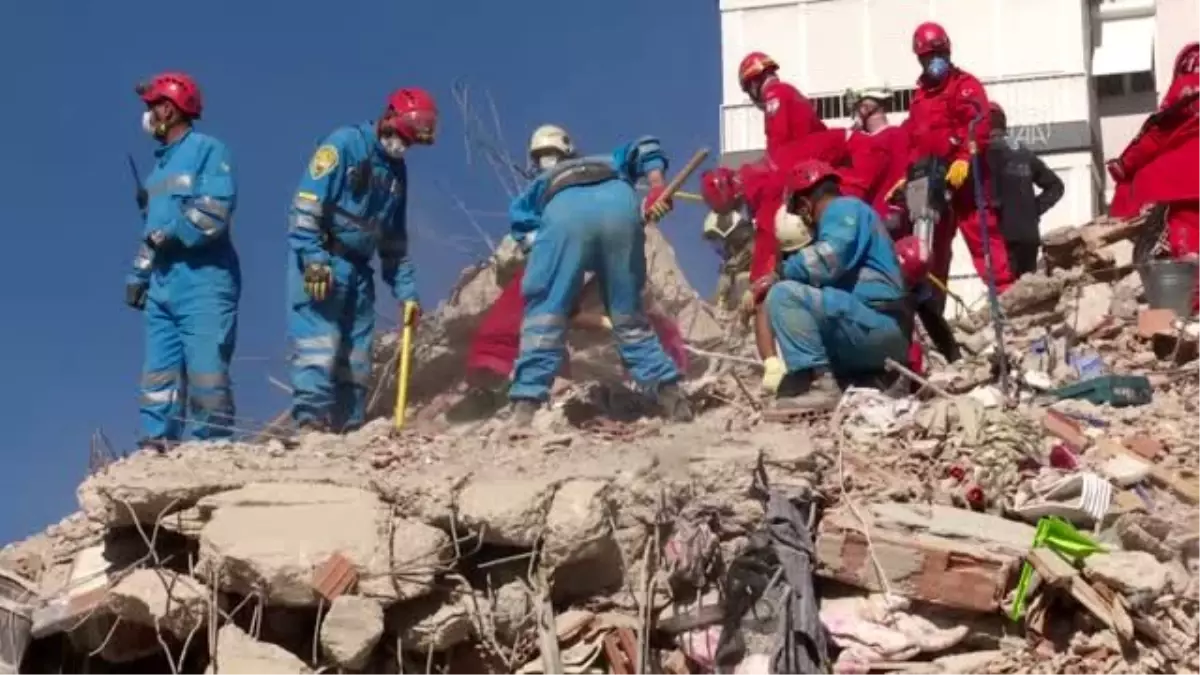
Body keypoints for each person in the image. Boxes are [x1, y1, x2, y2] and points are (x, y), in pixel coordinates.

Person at [505, 125, 693, 424]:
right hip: (619, 204)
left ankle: (525, 406)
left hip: (563, 211)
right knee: (628, 316)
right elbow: (646, 145)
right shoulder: (608, 159)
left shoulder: (539, 185)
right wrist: (656, 187)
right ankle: (671, 396)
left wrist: (561, 290)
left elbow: (528, 232)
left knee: (544, 316)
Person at [287, 88, 437, 433]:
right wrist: (312, 258)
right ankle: (311, 422)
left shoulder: (397, 174)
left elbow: (394, 244)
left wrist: (408, 293)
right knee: (317, 344)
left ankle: (349, 428)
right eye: (402, 136)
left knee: (356, 355)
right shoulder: (343, 144)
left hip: (359, 271)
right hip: (323, 259)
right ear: (389, 118)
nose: (403, 145)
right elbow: (306, 205)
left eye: (410, 142)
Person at [125, 72, 239, 451]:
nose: (149, 115)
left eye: (153, 106)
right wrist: (139, 274)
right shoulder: (157, 171)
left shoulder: (208, 149)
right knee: (159, 370)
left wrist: (172, 231)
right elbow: (151, 233)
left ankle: (213, 445)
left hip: (203, 279)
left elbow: (214, 211)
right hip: (163, 283)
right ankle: (157, 444)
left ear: (170, 109)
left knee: (206, 366)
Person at [756, 160, 910, 411]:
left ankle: (820, 387)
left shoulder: (843, 209)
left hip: (877, 325)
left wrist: (780, 273)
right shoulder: (854, 214)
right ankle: (867, 379)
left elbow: (828, 258)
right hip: (874, 329)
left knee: (785, 295)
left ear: (805, 205)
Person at [895, 22, 1014, 293]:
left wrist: (963, 157)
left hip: (965, 179)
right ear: (920, 58)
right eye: (930, 56)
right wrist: (908, 176)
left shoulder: (965, 86)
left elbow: (978, 125)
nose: (937, 61)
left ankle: (1006, 296)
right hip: (931, 182)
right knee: (929, 250)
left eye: (941, 54)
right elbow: (915, 140)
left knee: (983, 239)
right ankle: (931, 310)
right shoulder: (920, 97)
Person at [1108, 43, 1200, 309]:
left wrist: (1123, 165)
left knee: (1187, 238)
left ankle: (1188, 306)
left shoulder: (1183, 92)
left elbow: (1155, 134)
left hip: (1181, 180)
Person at [986, 102, 1064, 277]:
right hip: (1029, 236)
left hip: (1004, 239)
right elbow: (1056, 186)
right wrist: (1033, 210)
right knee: (1026, 293)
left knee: (1007, 294)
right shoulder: (1023, 152)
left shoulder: (988, 153)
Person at [737, 51, 827, 167]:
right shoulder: (788, 90)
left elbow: (777, 144)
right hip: (816, 160)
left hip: (805, 165)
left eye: (748, 89)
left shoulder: (774, 95)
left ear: (754, 83)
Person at [844, 89, 912, 223]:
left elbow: (900, 177)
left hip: (885, 217)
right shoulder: (859, 138)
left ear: (866, 109)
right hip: (865, 215)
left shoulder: (895, 135)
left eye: (859, 107)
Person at [703, 210, 755, 311]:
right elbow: (717, 298)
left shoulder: (756, 249)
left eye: (717, 241)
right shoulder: (732, 265)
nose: (716, 249)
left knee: (742, 279)